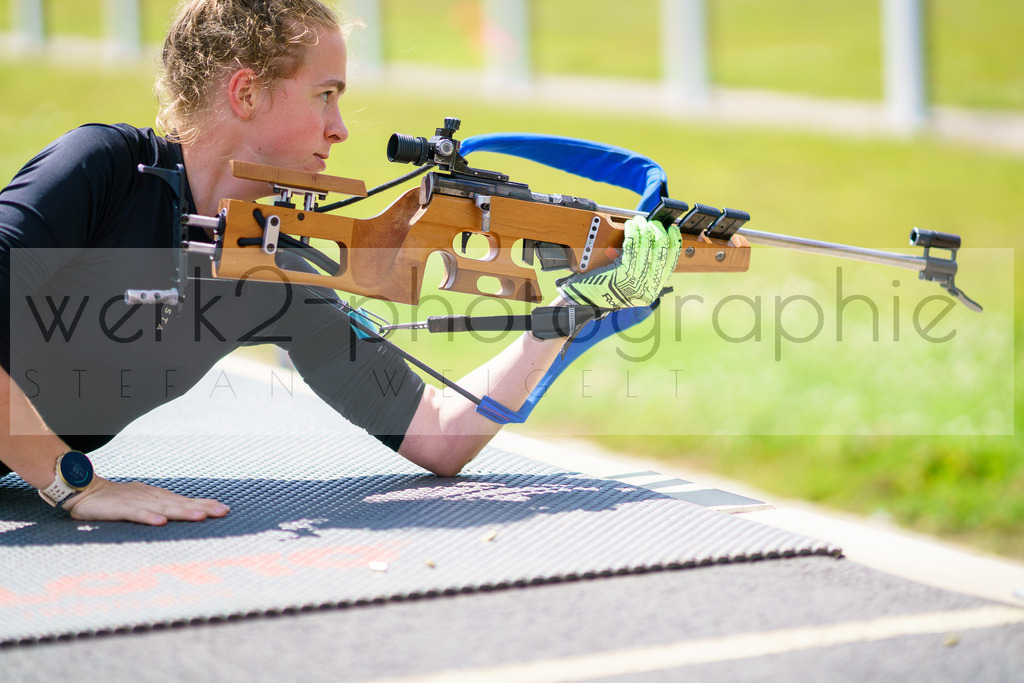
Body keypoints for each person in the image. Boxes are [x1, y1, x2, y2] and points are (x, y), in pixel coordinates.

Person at [0, 0, 680, 526]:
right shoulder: (106, 170)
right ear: (246, 92)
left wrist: (564, 319)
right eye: (326, 94)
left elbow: (438, 437)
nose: (340, 128)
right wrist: (72, 482)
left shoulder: (273, 267)